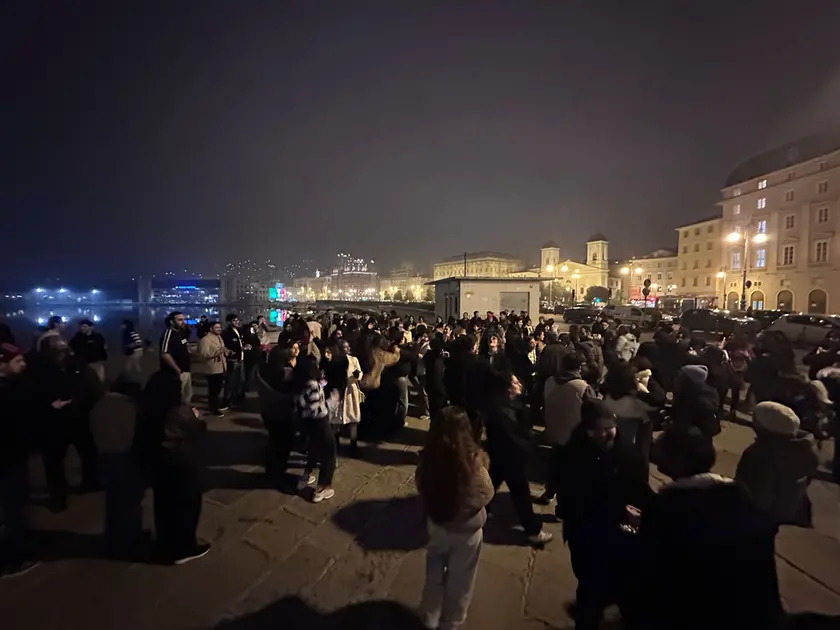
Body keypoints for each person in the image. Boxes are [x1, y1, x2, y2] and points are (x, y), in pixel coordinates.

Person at [639, 427, 783, 630]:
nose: (656, 451)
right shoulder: (741, 498)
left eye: (662, 447)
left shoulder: (667, 508)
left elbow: (653, 573)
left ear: (677, 459)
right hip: (749, 614)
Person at [555, 399, 650, 630]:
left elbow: (639, 490)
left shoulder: (626, 451)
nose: (605, 434)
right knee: (589, 583)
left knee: (618, 582)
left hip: (619, 532)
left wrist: (635, 521)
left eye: (609, 428)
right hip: (585, 532)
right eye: (598, 430)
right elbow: (566, 490)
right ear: (587, 429)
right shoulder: (573, 452)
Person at [416, 406, 494, 630]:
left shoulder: (430, 456)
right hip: (467, 532)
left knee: (434, 572)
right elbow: (486, 492)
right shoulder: (474, 460)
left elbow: (421, 484)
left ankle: (429, 616)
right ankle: (451, 622)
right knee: (461, 580)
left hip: (438, 524)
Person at [144, 369, 210, 564]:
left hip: (160, 464)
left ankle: (165, 545)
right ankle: (183, 549)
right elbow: (199, 431)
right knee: (186, 508)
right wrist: (197, 418)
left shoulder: (149, 408)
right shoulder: (179, 411)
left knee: (164, 507)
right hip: (181, 464)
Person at [33, 336, 103, 512]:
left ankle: (89, 483)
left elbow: (93, 389)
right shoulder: (39, 369)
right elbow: (32, 392)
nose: (60, 346)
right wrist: (49, 404)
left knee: (87, 453)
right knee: (54, 460)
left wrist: (76, 402)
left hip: (77, 417)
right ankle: (59, 495)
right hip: (53, 421)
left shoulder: (76, 365)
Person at [483, 370, 552, 545]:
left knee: (493, 482)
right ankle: (532, 529)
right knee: (521, 493)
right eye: (514, 383)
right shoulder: (503, 411)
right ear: (507, 388)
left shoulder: (507, 405)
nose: (519, 385)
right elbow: (514, 437)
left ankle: (479, 509)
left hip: (502, 456)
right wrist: (529, 448)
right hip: (510, 456)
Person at [89, 377, 147, 559]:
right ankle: (129, 542)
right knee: (129, 504)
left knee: (113, 503)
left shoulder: (99, 405)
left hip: (104, 457)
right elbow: (132, 436)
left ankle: (113, 540)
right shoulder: (128, 407)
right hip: (124, 458)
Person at [735, 401, 819, 527]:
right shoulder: (805, 448)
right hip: (789, 508)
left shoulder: (759, 455)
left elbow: (755, 495)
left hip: (759, 516)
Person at [0, 343, 38, 578]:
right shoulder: (8, 392)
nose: (23, 364)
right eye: (17, 361)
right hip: (8, 459)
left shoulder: (12, 387)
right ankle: (11, 560)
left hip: (12, 456)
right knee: (11, 509)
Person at [537, 352, 593, 504]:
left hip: (554, 431)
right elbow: (593, 410)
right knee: (572, 472)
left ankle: (549, 493)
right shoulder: (582, 387)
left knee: (556, 464)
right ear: (579, 368)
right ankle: (565, 503)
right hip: (574, 436)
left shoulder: (550, 381)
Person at [294, 356, 337, 503]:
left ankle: (306, 476)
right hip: (319, 423)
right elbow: (315, 408)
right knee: (329, 455)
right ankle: (322, 488)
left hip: (307, 424)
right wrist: (332, 401)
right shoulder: (311, 384)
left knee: (314, 450)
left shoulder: (299, 382)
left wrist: (321, 387)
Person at [160, 311, 193, 404]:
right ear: (171, 321)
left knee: (187, 396)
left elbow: (188, 334)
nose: (183, 322)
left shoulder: (181, 332)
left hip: (186, 370)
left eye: (183, 319)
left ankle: (185, 415)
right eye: (179, 320)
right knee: (175, 398)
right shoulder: (169, 333)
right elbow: (165, 353)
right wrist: (177, 369)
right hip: (175, 373)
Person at [198, 321, 228, 416]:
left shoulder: (219, 337)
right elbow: (204, 354)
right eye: (217, 327)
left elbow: (222, 349)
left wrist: (226, 352)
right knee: (213, 390)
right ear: (211, 329)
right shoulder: (205, 340)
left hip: (220, 367)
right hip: (212, 368)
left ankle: (216, 405)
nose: (219, 329)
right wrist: (219, 352)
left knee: (218, 388)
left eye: (220, 327)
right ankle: (213, 408)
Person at [221, 314, 246, 406]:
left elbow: (240, 343)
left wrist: (244, 347)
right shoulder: (226, 333)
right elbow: (226, 346)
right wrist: (238, 349)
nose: (237, 322)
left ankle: (238, 397)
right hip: (233, 360)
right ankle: (227, 399)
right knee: (231, 380)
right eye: (234, 321)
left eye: (237, 320)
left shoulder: (239, 330)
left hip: (241, 358)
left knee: (241, 380)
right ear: (229, 322)